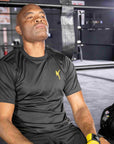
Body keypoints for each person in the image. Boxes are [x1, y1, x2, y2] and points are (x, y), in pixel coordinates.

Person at [0, 4, 110, 144]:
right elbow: (3, 121)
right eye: (30, 17)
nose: (39, 19)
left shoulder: (63, 61)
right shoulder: (7, 66)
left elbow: (79, 107)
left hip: (65, 132)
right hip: (29, 135)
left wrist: (92, 137)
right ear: (19, 30)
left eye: (42, 16)